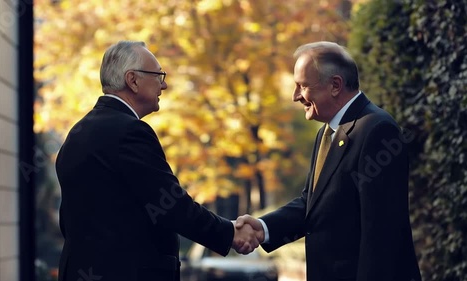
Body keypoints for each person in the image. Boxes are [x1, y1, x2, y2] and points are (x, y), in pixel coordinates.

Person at [55, 40, 259, 281]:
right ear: (132, 80)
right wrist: (228, 233)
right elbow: (171, 204)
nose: (164, 84)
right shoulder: (129, 132)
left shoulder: (79, 133)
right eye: (158, 75)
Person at [236, 41, 422, 281]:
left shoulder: (377, 130)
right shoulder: (327, 133)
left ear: (335, 85)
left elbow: (382, 234)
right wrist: (263, 228)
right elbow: (312, 205)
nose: (295, 96)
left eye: (302, 86)